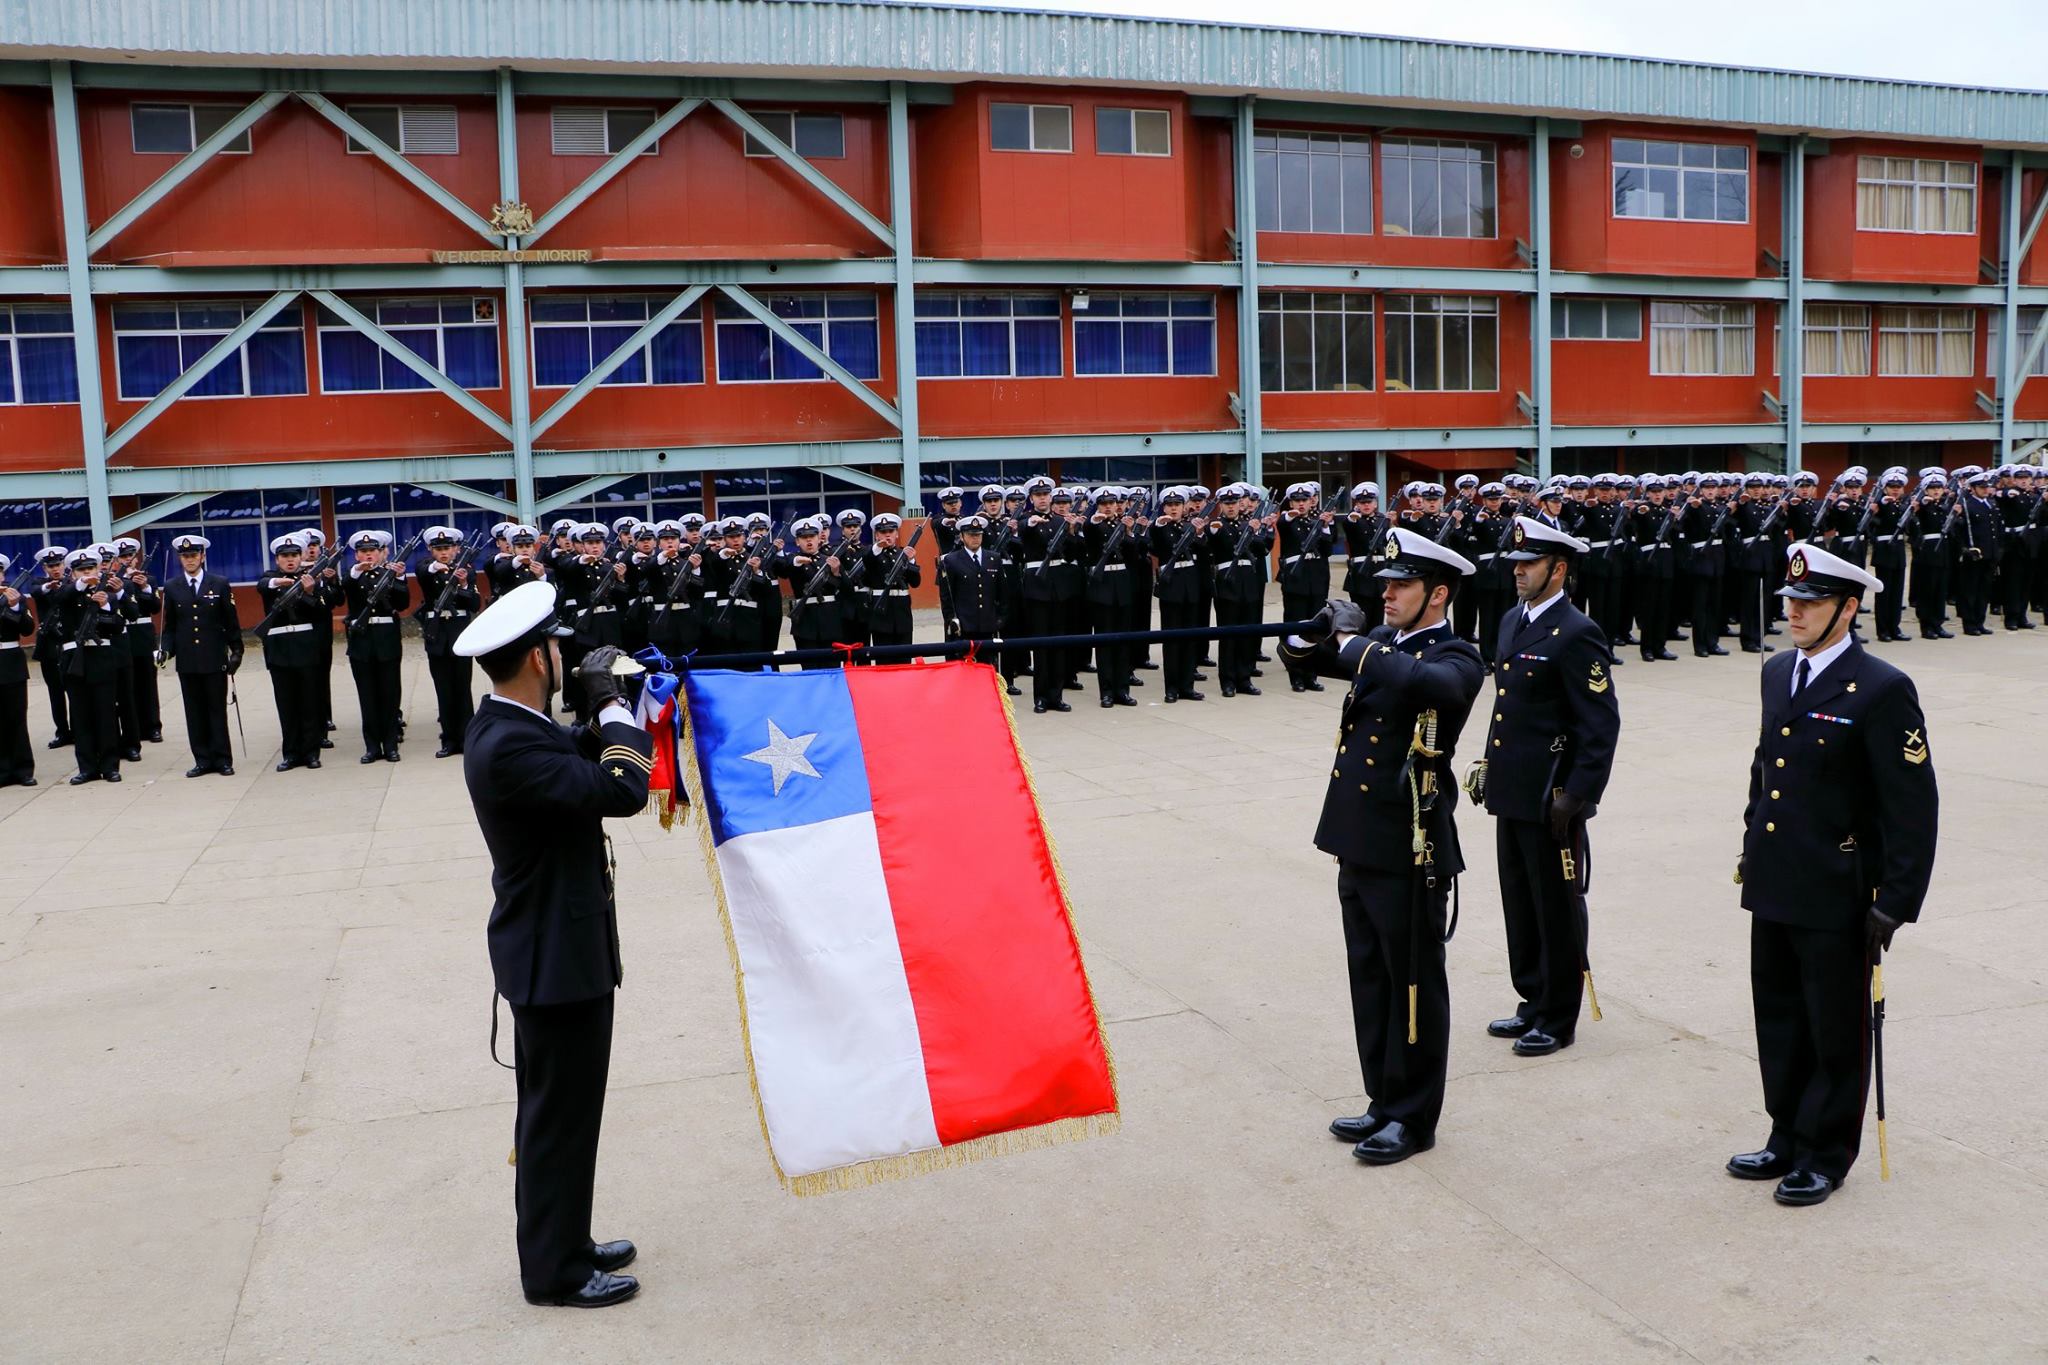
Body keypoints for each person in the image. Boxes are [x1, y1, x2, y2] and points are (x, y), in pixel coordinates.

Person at [456, 580, 652, 1308]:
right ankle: (554, 1271)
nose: (566, 655)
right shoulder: (508, 746)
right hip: (555, 962)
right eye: (559, 646)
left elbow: (578, 751)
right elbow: (623, 788)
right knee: (555, 1119)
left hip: (559, 950)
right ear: (537, 658)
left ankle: (567, 1238)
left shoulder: (511, 725)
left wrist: (609, 711)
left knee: (566, 1112)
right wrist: (608, 704)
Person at [1730, 542, 1937, 1207]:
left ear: (1848, 608)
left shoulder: (1881, 688)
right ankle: (1786, 1130)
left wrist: (1896, 900)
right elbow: (1767, 769)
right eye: (1790, 599)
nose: (1793, 611)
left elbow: (1912, 805)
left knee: (1833, 1024)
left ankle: (1826, 1150)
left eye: (1810, 602)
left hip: (1837, 886)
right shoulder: (1777, 670)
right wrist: (1748, 844)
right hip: (1776, 877)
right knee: (1779, 1018)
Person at [1278, 530, 1483, 1166]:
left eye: (1401, 585)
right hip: (1359, 835)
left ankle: (1413, 1116)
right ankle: (1382, 1098)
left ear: (1438, 594)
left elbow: (1432, 687)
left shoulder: (1455, 655)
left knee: (1413, 982)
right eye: (1385, 583)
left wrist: (1356, 644)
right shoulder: (1386, 646)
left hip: (1409, 845)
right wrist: (1310, 632)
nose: (1386, 592)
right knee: (1370, 976)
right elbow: (1304, 662)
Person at [1476, 517, 1622, 1057]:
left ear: (1558, 570)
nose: (1518, 572)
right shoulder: (1513, 619)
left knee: (1556, 906)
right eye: (1515, 563)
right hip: (1514, 788)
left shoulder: (1578, 632)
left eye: (1529, 564)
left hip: (1552, 797)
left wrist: (1578, 793)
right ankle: (1531, 999)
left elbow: (1600, 724)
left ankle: (1559, 1017)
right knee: (1520, 901)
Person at [159, 533, 242, 778]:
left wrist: (236, 650)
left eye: (194, 555)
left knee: (217, 710)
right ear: (179, 559)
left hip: (214, 658)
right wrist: (165, 649)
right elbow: (170, 626)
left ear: (203, 556)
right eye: (185, 556)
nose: (190, 560)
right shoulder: (173, 587)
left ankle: (223, 759)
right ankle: (202, 760)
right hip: (187, 661)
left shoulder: (219, 583)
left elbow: (231, 620)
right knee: (194, 713)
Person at [256, 534, 338, 772]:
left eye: (294, 555)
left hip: (305, 647)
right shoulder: (270, 578)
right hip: (279, 649)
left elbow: (322, 610)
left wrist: (310, 591)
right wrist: (280, 583)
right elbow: (263, 585)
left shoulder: (311, 579)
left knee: (309, 703)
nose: (289, 560)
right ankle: (291, 754)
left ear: (302, 556)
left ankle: (311, 753)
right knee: (287, 704)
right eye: (284, 556)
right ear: (277, 559)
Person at [57, 547, 127, 784]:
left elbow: (117, 626)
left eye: (90, 569)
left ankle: (110, 766)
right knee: (81, 715)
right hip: (74, 660)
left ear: (99, 569)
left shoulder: (108, 594)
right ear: (72, 573)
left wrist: (106, 605)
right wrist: (81, 586)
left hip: (101, 658)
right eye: (81, 570)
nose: (87, 573)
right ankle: (86, 767)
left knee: (106, 714)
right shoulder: (67, 592)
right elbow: (59, 600)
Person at [342, 529, 410, 763]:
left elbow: (402, 604)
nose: (368, 555)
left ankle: (390, 745)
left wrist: (399, 578)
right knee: (367, 696)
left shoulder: (390, 575)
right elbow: (346, 589)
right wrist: (355, 572)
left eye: (373, 551)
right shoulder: (352, 576)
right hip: (362, 641)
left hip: (386, 639)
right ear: (356, 555)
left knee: (389, 695)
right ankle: (372, 746)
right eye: (363, 551)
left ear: (382, 553)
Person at [415, 526, 482, 757]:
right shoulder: (426, 567)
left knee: (463, 689)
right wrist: (439, 568)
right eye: (439, 549)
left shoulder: (467, 571)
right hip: (437, 637)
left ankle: (466, 739)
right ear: (431, 550)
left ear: (456, 549)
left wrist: (463, 585)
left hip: (459, 635)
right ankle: (449, 739)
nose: (444, 553)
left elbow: (474, 604)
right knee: (443, 690)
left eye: (448, 548)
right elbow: (423, 572)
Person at [113, 536, 164, 748]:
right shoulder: (114, 580)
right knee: (127, 686)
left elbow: (155, 607)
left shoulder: (148, 579)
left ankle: (153, 726)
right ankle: (133, 729)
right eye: (123, 556)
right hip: (122, 634)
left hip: (143, 634)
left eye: (130, 556)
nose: (127, 560)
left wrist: (144, 588)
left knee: (148, 684)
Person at [29, 546, 73, 750]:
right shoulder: (41, 584)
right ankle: (62, 732)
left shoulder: (72, 583)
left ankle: (79, 729)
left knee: (75, 691)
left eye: (58, 564)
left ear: (64, 565)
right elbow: (35, 592)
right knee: (56, 693)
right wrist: (51, 586)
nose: (56, 569)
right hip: (49, 648)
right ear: (45, 568)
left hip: (68, 643)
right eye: (51, 566)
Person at [0, 554, 35, 787]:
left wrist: (13, 607)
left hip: (10, 660)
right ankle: (2, 771)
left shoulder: (15, 597)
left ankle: (23, 769)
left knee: (16, 718)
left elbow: (28, 629)